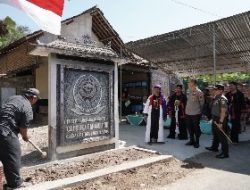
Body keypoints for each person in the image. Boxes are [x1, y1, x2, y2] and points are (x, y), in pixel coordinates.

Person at [0, 88, 40, 189]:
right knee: (13, 156)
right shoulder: (27, 108)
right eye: (36, 99)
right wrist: (25, 136)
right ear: (34, 98)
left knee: (4, 155)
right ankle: (15, 184)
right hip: (6, 132)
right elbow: (23, 130)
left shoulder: (13, 98)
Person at [206, 85, 229, 159]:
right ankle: (214, 147)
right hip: (215, 118)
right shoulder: (216, 97)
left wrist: (221, 123)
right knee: (215, 134)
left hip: (220, 119)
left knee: (222, 137)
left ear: (221, 90)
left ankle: (225, 153)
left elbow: (223, 111)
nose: (214, 90)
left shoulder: (222, 99)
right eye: (214, 89)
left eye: (215, 89)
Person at [185, 79, 204, 148]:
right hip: (188, 112)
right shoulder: (188, 91)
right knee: (190, 128)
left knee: (196, 128)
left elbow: (202, 103)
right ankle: (191, 140)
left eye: (190, 84)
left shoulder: (199, 92)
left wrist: (200, 112)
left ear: (195, 84)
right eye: (189, 84)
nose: (189, 85)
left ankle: (197, 142)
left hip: (196, 113)